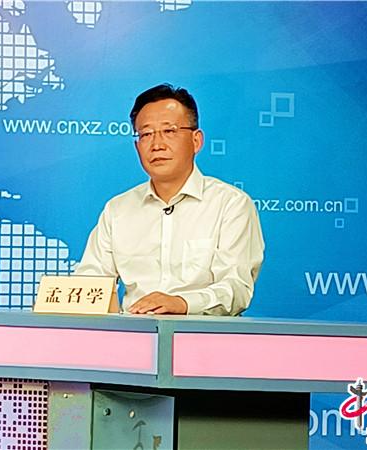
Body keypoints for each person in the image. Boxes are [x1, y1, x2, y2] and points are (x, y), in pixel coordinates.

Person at [74, 83, 264, 315]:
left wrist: (183, 304)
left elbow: (236, 288)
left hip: (203, 333)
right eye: (146, 134)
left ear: (196, 141)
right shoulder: (118, 209)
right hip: (134, 333)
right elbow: (90, 283)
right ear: (137, 146)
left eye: (169, 131)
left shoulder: (230, 204)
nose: (157, 145)